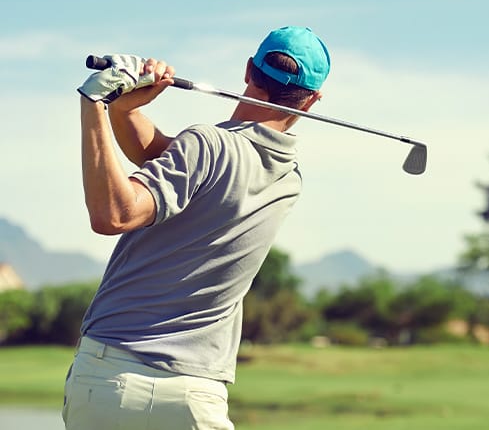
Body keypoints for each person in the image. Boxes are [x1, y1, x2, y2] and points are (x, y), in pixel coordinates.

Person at [64, 26, 331, 430]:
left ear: (248, 71)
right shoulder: (287, 177)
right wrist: (125, 111)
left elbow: (114, 214)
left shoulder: (206, 145)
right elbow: (166, 159)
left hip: (110, 378)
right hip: (196, 396)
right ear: (312, 101)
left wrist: (96, 103)